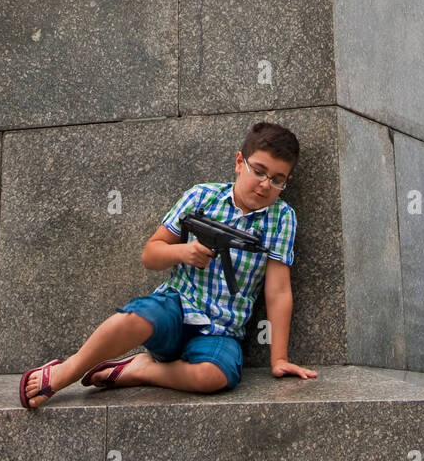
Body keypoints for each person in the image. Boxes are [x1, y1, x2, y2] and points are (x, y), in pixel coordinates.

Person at [20, 121, 317, 407]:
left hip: (222, 329)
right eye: (259, 171)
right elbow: (150, 254)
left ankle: (141, 369)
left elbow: (278, 291)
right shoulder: (202, 197)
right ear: (240, 162)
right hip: (176, 305)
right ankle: (66, 371)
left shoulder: (282, 218)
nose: (265, 185)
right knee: (133, 319)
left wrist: (278, 359)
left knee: (215, 376)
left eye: (277, 180)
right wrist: (184, 254)